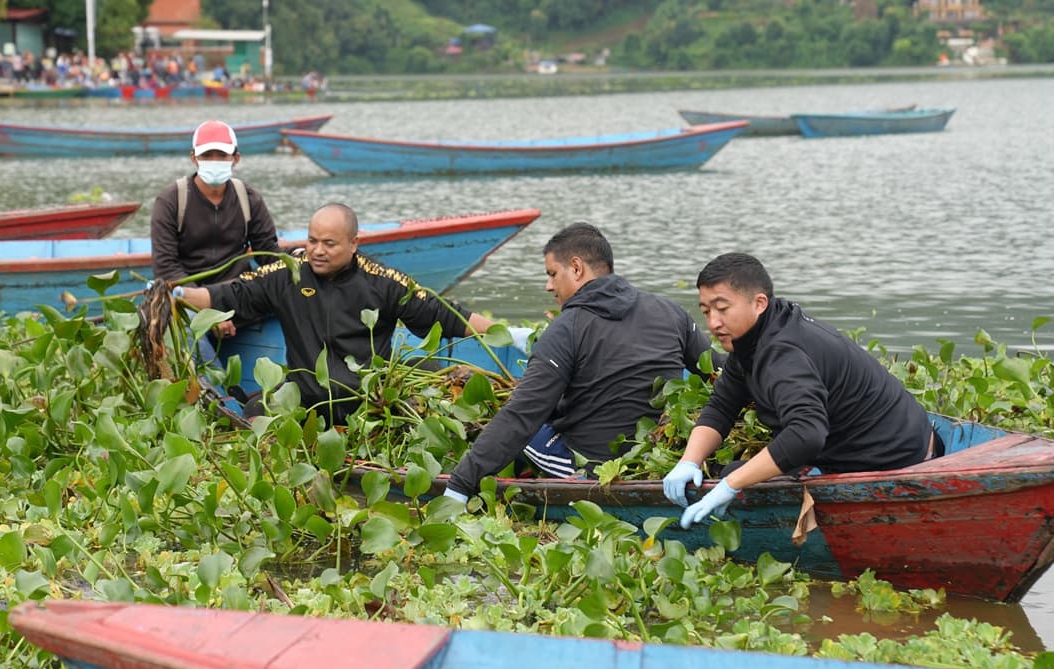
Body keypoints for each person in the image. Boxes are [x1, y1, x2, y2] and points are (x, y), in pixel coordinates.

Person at [443, 223, 721, 502]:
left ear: (576, 268)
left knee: (526, 426)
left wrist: (460, 485)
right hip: (658, 452)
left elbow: (521, 416)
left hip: (592, 464)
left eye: (552, 274)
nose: (548, 285)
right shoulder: (671, 311)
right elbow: (718, 370)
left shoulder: (566, 329)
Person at [663, 252, 942, 529]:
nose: (713, 323)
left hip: (898, 461)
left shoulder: (783, 354)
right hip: (894, 442)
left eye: (722, 309)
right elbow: (721, 407)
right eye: (706, 311)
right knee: (741, 471)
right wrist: (689, 461)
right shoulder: (753, 338)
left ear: (759, 303)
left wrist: (729, 486)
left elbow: (806, 435)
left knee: (736, 475)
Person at [172, 202, 494, 424]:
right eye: (312, 241)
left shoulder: (383, 281)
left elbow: (446, 313)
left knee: (425, 381)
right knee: (252, 410)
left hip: (367, 404)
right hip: (304, 400)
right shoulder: (288, 273)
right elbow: (231, 293)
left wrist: (503, 333)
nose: (317, 251)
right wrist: (178, 294)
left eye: (329, 243)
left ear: (354, 244)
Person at [149, 119, 281, 344]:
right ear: (194, 158)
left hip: (237, 294)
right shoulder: (171, 200)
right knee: (183, 326)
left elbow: (268, 254)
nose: (214, 162)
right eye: (207, 156)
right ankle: (206, 380)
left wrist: (296, 262)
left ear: (235, 159)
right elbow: (166, 267)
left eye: (222, 156)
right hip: (187, 298)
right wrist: (208, 313)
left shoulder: (248, 199)